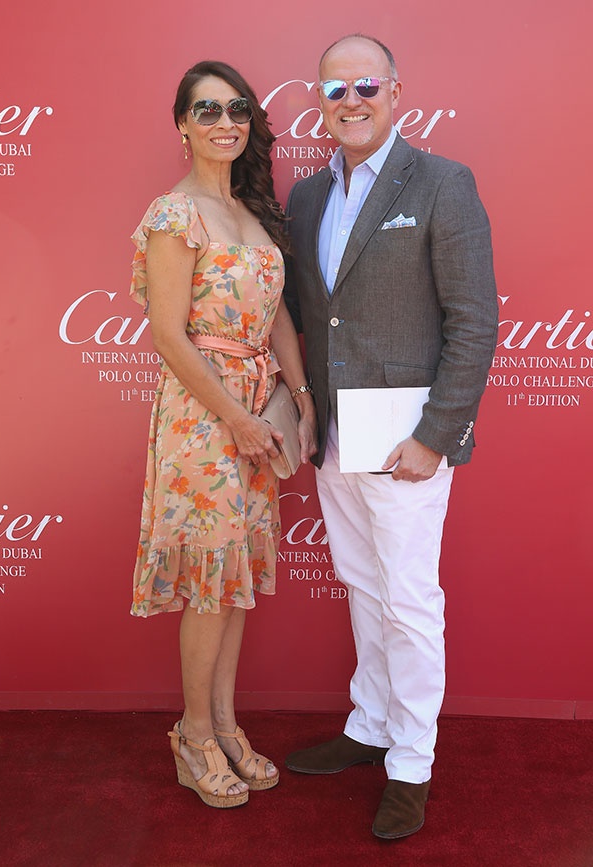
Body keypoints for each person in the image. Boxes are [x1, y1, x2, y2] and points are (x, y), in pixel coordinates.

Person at [283, 34, 498, 839]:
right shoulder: (308, 196)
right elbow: (312, 316)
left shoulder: (443, 182)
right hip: (336, 437)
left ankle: (411, 761)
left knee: (408, 602)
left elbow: (475, 320)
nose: (352, 101)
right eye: (335, 89)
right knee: (362, 586)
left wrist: (436, 434)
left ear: (396, 92)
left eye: (366, 86)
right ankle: (370, 723)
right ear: (320, 102)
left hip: (409, 443)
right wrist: (306, 413)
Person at [129, 60, 317, 809]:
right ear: (182, 124)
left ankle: (226, 726)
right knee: (209, 582)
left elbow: (278, 318)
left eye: (236, 108)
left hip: (259, 412)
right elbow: (168, 337)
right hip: (203, 418)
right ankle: (194, 737)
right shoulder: (174, 214)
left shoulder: (251, 210)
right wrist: (236, 418)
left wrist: (299, 400)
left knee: (232, 582)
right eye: (206, 110)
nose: (224, 122)